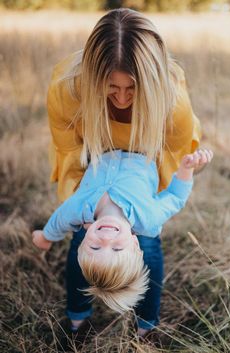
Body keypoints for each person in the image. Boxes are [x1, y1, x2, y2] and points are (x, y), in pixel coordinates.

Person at [43, 8, 203, 337]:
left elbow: (170, 169)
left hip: (144, 172)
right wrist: (79, 212)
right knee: (80, 242)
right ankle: (77, 319)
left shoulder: (173, 105)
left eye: (133, 88)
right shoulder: (66, 91)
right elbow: (70, 155)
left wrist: (142, 216)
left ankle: (147, 325)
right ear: (92, 76)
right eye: (111, 87)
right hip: (96, 165)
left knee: (149, 243)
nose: (122, 98)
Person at [33, 149, 212, 313]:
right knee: (152, 249)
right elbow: (175, 197)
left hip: (104, 145)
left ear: (85, 236)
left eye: (95, 248)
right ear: (135, 243)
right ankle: (146, 323)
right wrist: (186, 169)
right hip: (144, 147)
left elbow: (59, 221)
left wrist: (45, 237)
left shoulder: (78, 210)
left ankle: (76, 317)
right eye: (117, 249)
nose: (106, 239)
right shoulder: (150, 219)